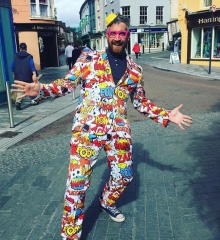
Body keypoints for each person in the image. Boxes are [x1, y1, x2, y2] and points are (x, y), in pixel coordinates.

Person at [12, 13, 193, 239]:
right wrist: (42, 90)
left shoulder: (135, 71)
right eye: (113, 33)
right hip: (86, 133)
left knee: (125, 175)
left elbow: (140, 103)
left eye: (122, 33)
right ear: (107, 35)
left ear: (127, 35)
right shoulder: (88, 60)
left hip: (118, 131)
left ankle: (106, 201)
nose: (117, 38)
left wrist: (166, 115)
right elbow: (67, 84)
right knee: (77, 186)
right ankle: (70, 235)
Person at [11, 42, 39, 110]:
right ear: (26, 48)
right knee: (31, 87)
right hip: (28, 75)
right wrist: (34, 73)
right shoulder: (29, 56)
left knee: (20, 89)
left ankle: (18, 102)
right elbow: (31, 65)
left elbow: (12, 65)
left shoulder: (15, 56)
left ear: (19, 48)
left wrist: (14, 72)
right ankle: (33, 100)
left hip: (18, 75)